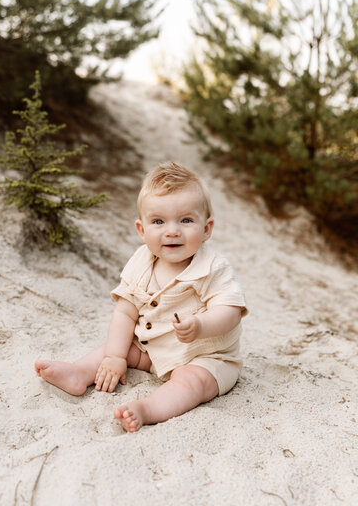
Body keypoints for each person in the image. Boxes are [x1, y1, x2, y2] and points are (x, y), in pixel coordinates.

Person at [35, 162, 247, 432]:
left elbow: (229, 311)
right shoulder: (141, 261)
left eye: (186, 220)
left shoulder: (213, 268)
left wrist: (201, 325)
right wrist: (114, 357)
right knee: (123, 348)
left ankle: (148, 409)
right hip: (153, 349)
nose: (172, 231)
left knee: (193, 382)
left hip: (205, 357)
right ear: (142, 230)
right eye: (158, 221)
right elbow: (125, 312)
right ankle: (79, 373)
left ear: (206, 229)